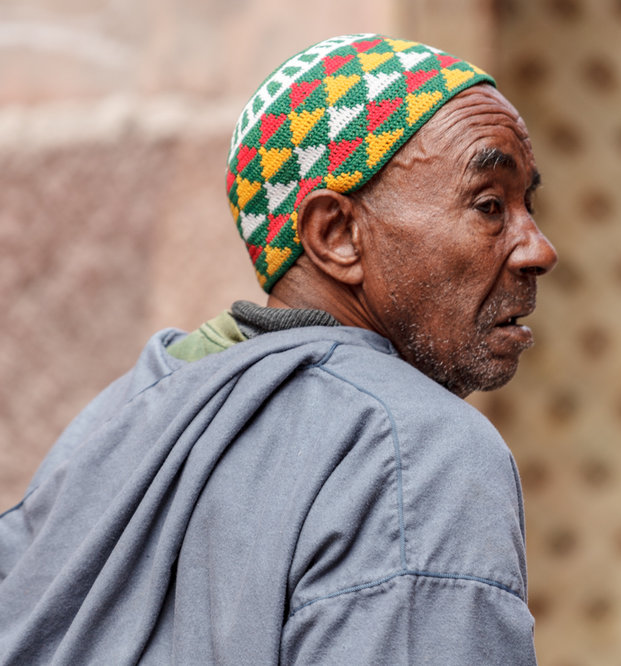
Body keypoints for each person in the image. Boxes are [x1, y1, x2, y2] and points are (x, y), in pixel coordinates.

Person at [0, 34, 557, 664]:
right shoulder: (415, 454)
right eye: (490, 205)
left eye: (527, 204)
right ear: (337, 234)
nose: (539, 248)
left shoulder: (124, 416)